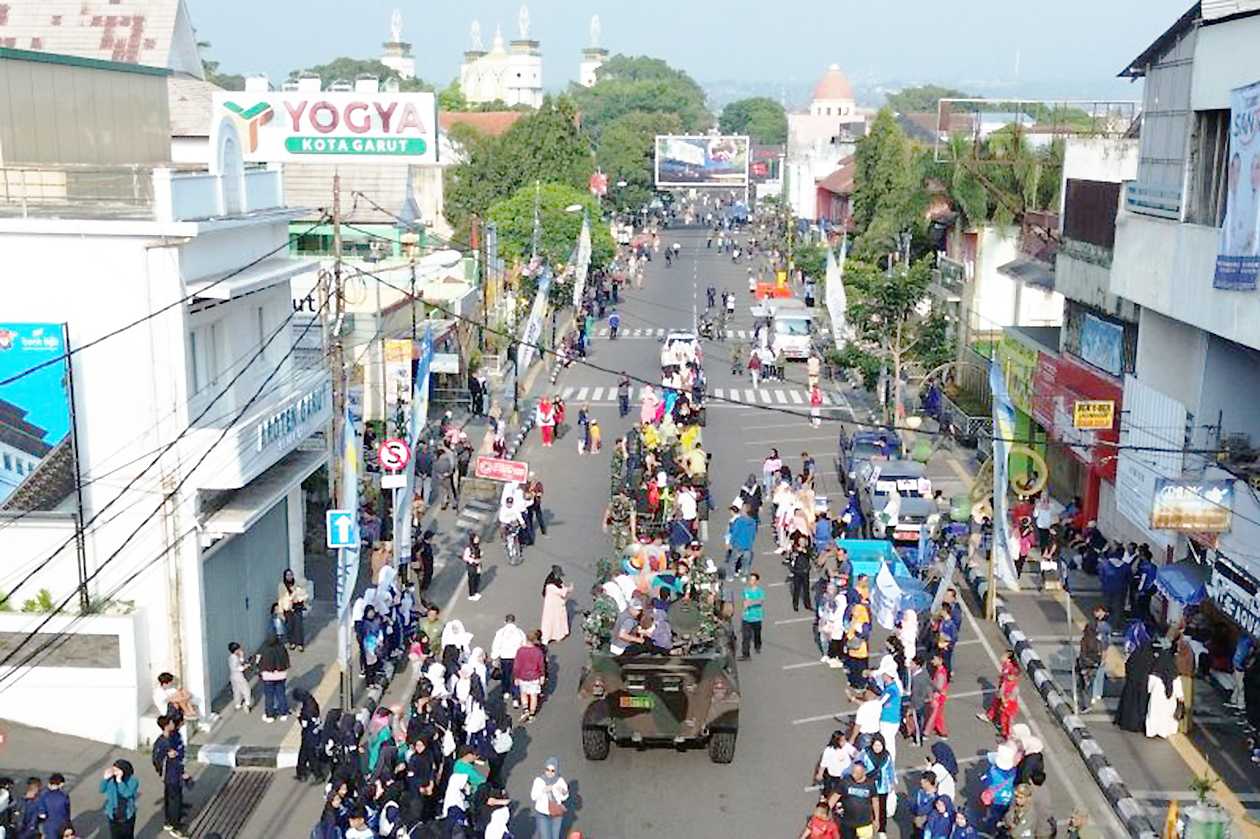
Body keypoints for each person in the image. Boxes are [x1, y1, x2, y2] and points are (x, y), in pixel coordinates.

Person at [152, 716, 188, 837]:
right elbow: (159, 759)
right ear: (166, 726)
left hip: (172, 775)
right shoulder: (164, 743)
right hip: (171, 776)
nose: (174, 724)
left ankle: (169, 821)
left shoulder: (169, 738)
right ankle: (175, 826)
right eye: (171, 722)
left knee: (170, 798)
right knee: (174, 801)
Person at [1115, 638, 1157, 733]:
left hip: (1131, 683)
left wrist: (1130, 676)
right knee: (1139, 706)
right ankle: (1138, 725)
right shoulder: (1150, 657)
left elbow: (1128, 665)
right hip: (1142, 684)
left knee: (1129, 703)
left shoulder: (1135, 654)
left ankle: (1125, 723)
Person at [1146, 645, 1183, 739]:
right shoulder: (1173, 671)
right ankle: (1164, 732)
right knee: (1166, 714)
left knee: (1154, 713)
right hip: (1169, 696)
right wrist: (1180, 696)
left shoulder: (1156, 670)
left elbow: (1149, 686)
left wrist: (1149, 692)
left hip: (1156, 695)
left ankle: (1151, 731)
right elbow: (1178, 685)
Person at [1078, 605, 1111, 709]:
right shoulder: (1104, 626)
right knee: (1097, 675)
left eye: (1099, 611)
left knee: (1093, 677)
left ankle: (1094, 695)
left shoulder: (1100, 627)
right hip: (1096, 656)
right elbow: (1106, 643)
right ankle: (1097, 694)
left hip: (1092, 657)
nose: (1097, 614)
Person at [837, 760, 878, 839]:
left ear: (863, 772)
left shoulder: (870, 784)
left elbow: (875, 801)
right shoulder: (846, 782)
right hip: (848, 823)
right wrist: (825, 810)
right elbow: (835, 796)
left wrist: (876, 819)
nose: (853, 774)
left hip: (865, 824)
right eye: (853, 771)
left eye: (857, 772)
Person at [514, 630, 546, 723]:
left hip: (523, 676)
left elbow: (517, 665)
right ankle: (532, 714)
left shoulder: (520, 651)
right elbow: (541, 665)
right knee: (533, 695)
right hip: (534, 676)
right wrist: (542, 676)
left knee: (523, 693)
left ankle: (525, 709)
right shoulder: (538, 652)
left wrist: (516, 677)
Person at [814, 730, 857, 798]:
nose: (845, 742)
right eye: (842, 740)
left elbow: (853, 751)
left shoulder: (846, 746)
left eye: (845, 739)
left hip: (846, 775)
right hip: (834, 776)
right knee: (833, 792)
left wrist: (856, 754)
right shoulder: (828, 751)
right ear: (836, 741)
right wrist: (820, 774)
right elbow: (823, 764)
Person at [258, 634, 291, 723]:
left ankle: (270, 715)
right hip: (281, 675)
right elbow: (286, 660)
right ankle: (283, 713)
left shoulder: (265, 649)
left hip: (268, 676)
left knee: (269, 696)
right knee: (281, 694)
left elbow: (260, 663)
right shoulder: (281, 648)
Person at [277, 568, 309, 651]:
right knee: (289, 626)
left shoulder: (297, 584)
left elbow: (303, 594)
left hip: (297, 607)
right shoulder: (281, 586)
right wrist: (280, 611)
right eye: (287, 575)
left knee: (298, 626)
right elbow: (280, 599)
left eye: (291, 575)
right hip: (287, 608)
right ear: (284, 576)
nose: (289, 576)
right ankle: (292, 642)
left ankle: (300, 644)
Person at [540, 566, 574, 645]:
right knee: (550, 621)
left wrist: (566, 588)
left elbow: (562, 587)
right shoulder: (550, 584)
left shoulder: (557, 580)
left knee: (558, 619)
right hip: (551, 605)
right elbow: (560, 591)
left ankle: (558, 635)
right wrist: (569, 589)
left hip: (557, 604)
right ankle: (547, 637)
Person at [35, 773, 71, 839]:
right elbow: (67, 813)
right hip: (62, 825)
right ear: (61, 784)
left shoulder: (43, 796)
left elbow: (41, 814)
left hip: (49, 826)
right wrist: (69, 825)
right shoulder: (64, 796)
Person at [740, 573, 765, 660]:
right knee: (746, 637)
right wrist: (743, 610)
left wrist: (750, 603)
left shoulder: (759, 591)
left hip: (756, 617)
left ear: (756, 581)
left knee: (757, 634)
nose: (751, 582)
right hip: (746, 617)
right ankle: (746, 654)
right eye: (750, 580)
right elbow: (744, 601)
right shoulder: (745, 590)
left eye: (753, 580)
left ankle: (757, 645)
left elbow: (760, 601)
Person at [227, 642, 253, 712]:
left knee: (236, 690)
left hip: (233, 676)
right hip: (239, 675)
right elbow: (239, 668)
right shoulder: (235, 658)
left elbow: (239, 663)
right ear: (236, 650)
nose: (240, 650)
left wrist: (241, 657)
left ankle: (237, 704)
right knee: (246, 689)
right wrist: (246, 666)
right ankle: (247, 703)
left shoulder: (231, 657)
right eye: (239, 649)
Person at [463, 533, 483, 601]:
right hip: (472, 566)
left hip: (478, 566)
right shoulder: (469, 548)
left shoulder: (477, 546)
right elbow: (465, 558)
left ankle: (475, 592)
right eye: (476, 538)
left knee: (477, 579)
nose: (478, 539)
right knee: (472, 580)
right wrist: (473, 560)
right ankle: (471, 594)